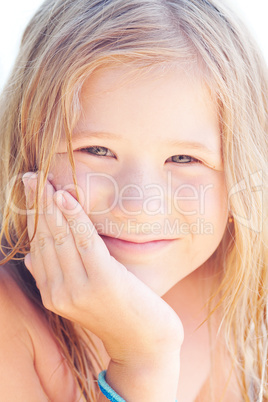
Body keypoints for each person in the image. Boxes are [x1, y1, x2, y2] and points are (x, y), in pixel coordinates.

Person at [0, 0, 267, 400]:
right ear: (27, 151)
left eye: (183, 158)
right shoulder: (9, 320)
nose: (142, 205)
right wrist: (144, 360)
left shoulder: (228, 293)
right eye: (97, 151)